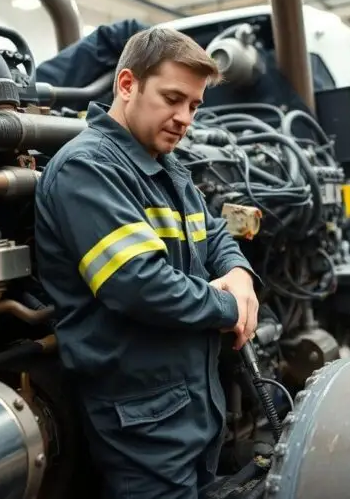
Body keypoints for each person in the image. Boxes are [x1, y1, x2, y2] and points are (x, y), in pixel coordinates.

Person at [34, 26, 262, 497]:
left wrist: (239, 276)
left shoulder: (165, 167)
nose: (184, 119)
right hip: (142, 418)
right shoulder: (88, 167)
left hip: (192, 405)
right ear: (126, 84)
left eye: (194, 106)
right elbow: (139, 283)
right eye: (172, 99)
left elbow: (214, 233)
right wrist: (230, 308)